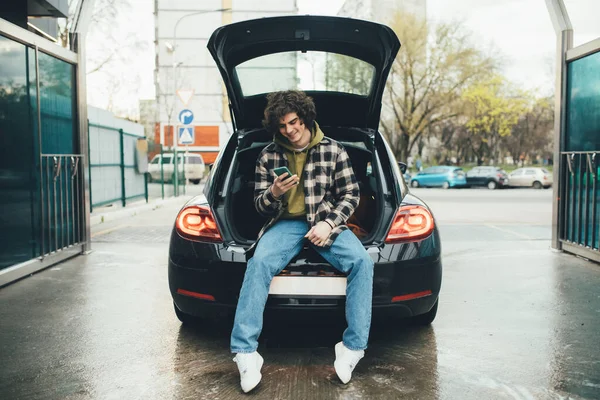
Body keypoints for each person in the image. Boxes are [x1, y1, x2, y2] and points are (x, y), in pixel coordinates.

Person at [230, 90, 374, 393]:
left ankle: (352, 348)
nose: (289, 130)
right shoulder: (268, 155)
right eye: (282, 126)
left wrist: (329, 223)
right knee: (258, 263)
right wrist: (274, 194)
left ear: (305, 117)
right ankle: (245, 353)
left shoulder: (334, 150)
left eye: (294, 122)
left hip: (324, 220)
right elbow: (259, 205)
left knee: (362, 261)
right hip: (284, 224)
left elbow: (351, 195)